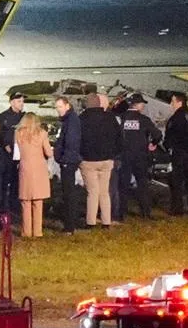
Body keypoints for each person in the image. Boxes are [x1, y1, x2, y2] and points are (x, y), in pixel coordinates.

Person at [80, 92, 123, 227]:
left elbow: (78, 139)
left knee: (92, 192)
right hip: (106, 160)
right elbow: (119, 138)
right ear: (99, 103)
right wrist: (114, 154)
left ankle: (91, 221)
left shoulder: (81, 118)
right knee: (104, 192)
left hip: (88, 160)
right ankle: (106, 221)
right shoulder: (110, 118)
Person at [118, 93, 159, 219]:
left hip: (124, 155)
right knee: (142, 183)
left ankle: (121, 212)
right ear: (139, 105)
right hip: (140, 156)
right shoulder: (144, 120)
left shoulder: (121, 118)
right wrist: (153, 144)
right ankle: (145, 211)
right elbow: (157, 135)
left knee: (123, 184)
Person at [164, 90, 188, 215]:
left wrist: (167, 147)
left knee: (177, 182)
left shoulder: (175, 118)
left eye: (173, 101)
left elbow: (169, 137)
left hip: (179, 153)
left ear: (179, 102)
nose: (171, 104)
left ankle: (177, 209)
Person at [15, 112, 53, 237]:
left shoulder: (18, 133)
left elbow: (16, 154)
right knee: (38, 200)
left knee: (25, 201)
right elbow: (48, 152)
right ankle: (37, 231)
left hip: (25, 168)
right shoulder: (42, 133)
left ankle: (26, 231)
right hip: (39, 168)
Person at [0, 91, 26, 214]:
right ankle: (2, 208)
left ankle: (15, 208)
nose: (21, 104)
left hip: (21, 155)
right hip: (6, 156)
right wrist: (5, 145)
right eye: (19, 101)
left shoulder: (25, 117)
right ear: (11, 102)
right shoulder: (3, 117)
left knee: (18, 183)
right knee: (4, 182)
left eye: (22, 101)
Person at [52, 96, 82, 233]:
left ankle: (70, 225)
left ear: (67, 106)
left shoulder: (71, 121)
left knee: (69, 192)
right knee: (68, 192)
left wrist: (63, 158)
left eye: (60, 106)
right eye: (56, 107)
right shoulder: (70, 120)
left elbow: (71, 142)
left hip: (68, 161)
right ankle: (70, 223)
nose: (58, 110)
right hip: (68, 160)